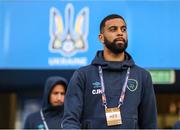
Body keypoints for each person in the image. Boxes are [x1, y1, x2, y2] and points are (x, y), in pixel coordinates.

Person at [61, 14, 157, 129]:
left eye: (123, 29)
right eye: (113, 29)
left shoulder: (142, 76)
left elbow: (150, 124)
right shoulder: (83, 75)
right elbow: (70, 121)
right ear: (101, 38)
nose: (120, 33)